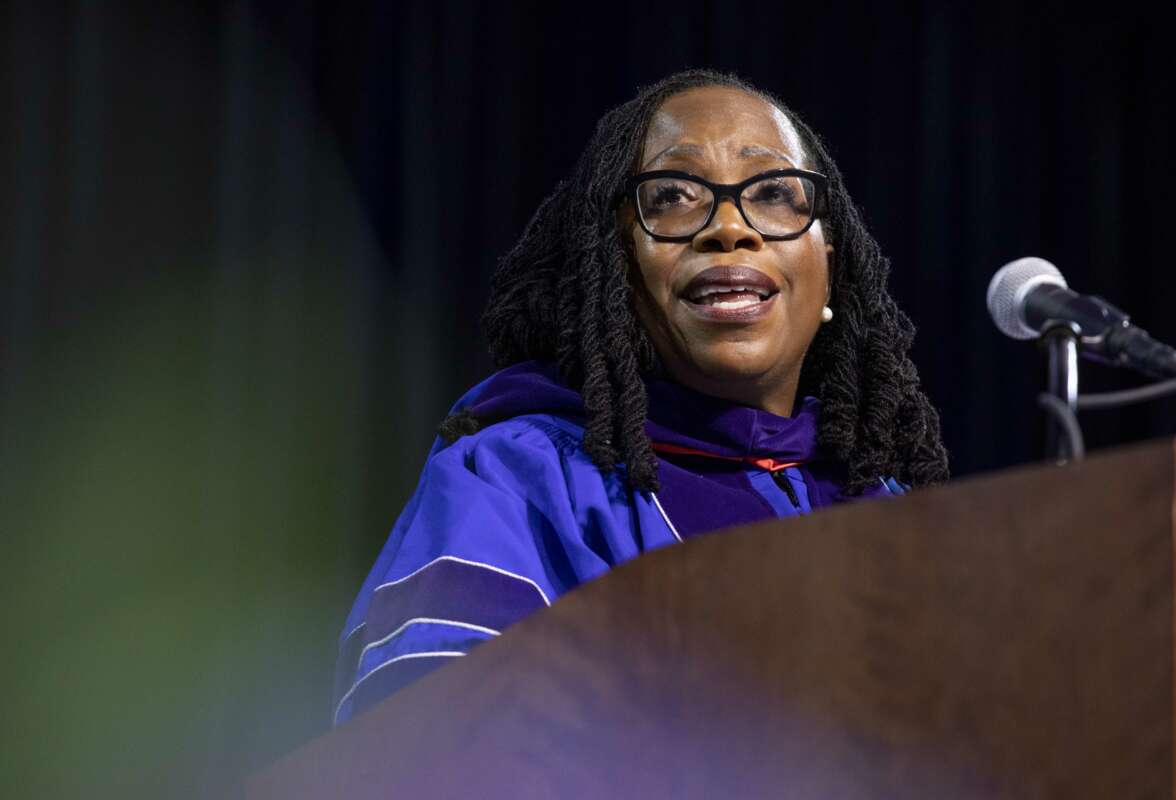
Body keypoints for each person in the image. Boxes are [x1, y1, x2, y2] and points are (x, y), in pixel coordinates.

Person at [332, 69, 949, 725]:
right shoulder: (521, 479)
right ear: (617, 263)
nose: (730, 228)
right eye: (674, 196)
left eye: (774, 193)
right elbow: (429, 742)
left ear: (831, 263)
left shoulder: (888, 511)